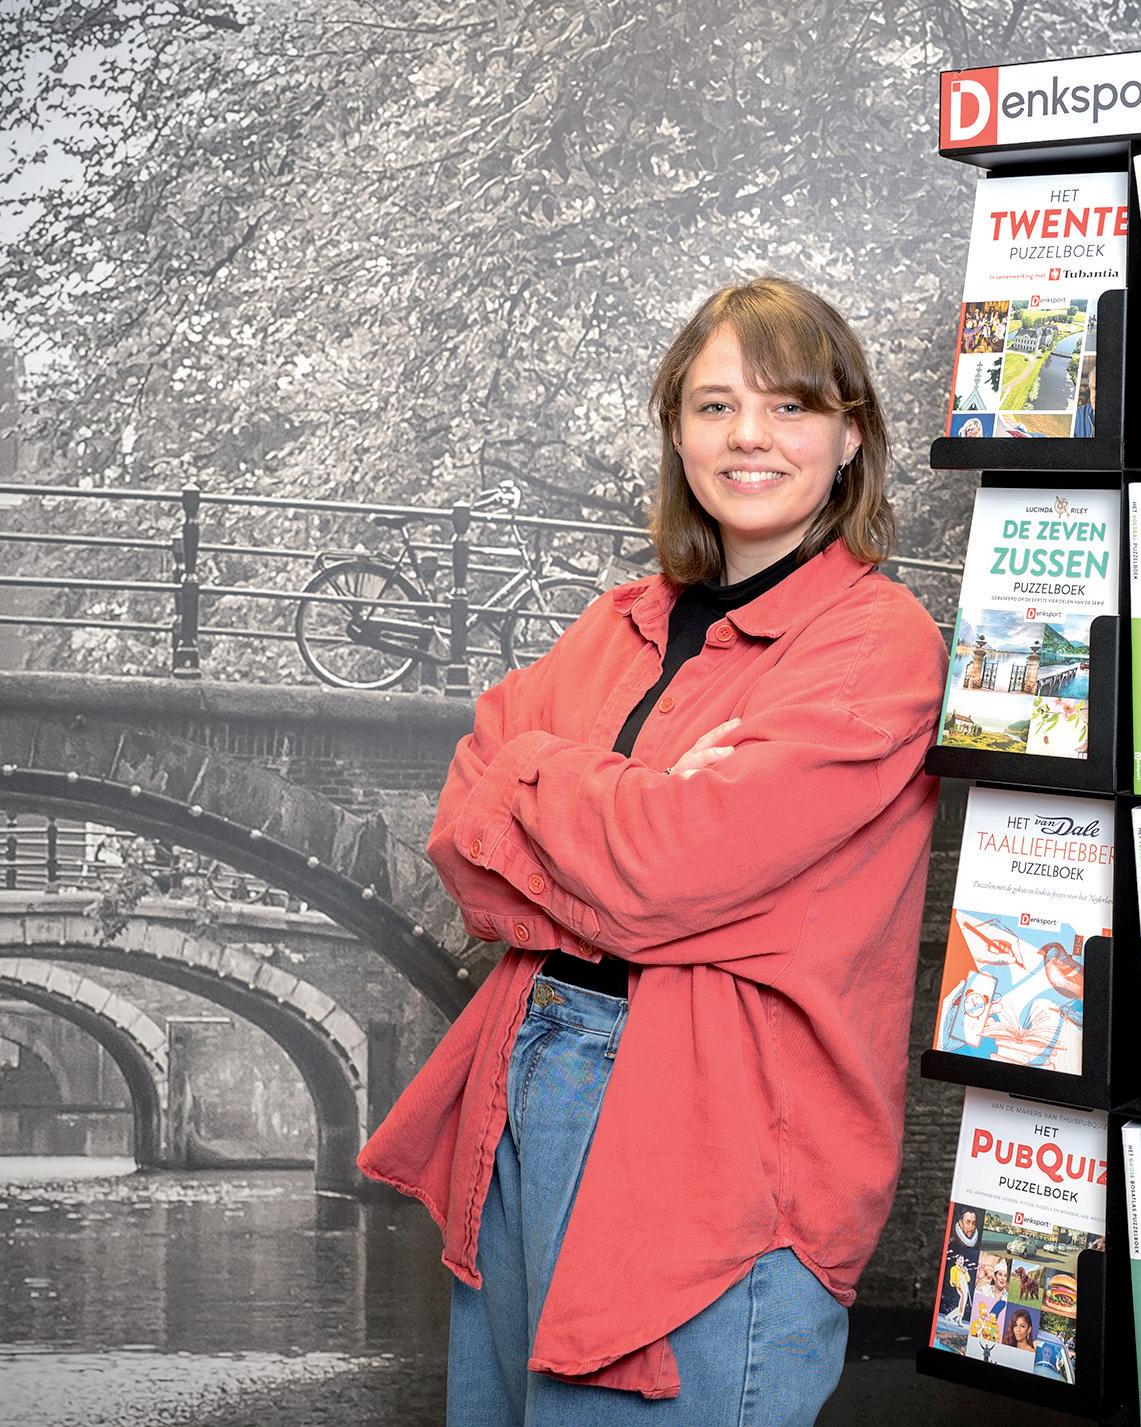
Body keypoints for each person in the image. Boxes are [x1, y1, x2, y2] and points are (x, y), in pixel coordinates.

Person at [358, 276, 948, 1425]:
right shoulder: (615, 622)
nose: (748, 436)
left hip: (715, 1140)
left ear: (850, 435)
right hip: (523, 1080)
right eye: (715, 405)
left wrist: (543, 783)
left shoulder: (876, 646)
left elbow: (667, 870)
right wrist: (628, 813)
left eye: (788, 405)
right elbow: (461, 840)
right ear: (677, 432)